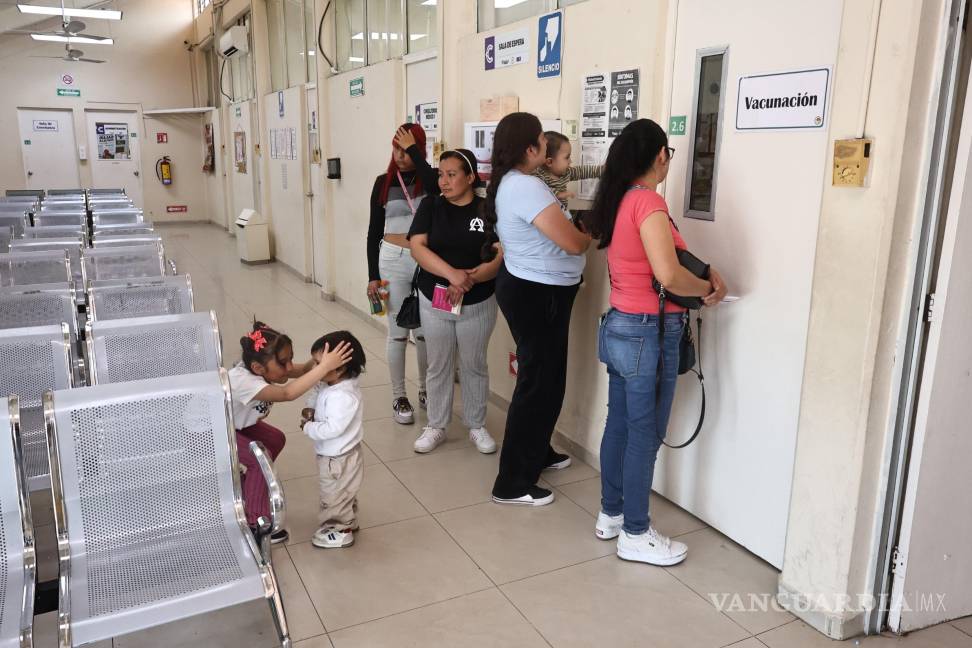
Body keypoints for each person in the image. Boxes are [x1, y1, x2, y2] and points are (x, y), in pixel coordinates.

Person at [584, 119, 727, 566]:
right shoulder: (647, 201)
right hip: (648, 332)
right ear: (660, 155)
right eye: (669, 154)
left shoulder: (620, 199)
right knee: (644, 434)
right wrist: (708, 290)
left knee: (619, 424)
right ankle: (636, 532)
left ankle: (611, 514)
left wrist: (702, 276)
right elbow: (667, 275)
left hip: (620, 326)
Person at [485, 112, 593, 506]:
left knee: (548, 380)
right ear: (530, 148)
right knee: (537, 385)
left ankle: (537, 452)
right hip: (537, 293)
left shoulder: (518, 182)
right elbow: (574, 244)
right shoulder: (525, 186)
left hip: (538, 289)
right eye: (543, 142)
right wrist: (589, 229)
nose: (548, 147)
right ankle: (512, 482)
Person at [407, 149, 503, 455]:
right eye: (440, 174)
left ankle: (476, 424)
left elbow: (499, 253)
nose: (443, 181)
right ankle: (436, 425)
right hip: (436, 297)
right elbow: (417, 247)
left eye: (451, 175)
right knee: (439, 363)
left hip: (478, 299)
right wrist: (452, 275)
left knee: (474, 363)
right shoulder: (431, 206)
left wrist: (469, 280)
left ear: (470, 177)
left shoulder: (486, 209)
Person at [229, 321, 353, 544]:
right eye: (283, 362)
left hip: (234, 424)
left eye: (290, 359)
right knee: (259, 459)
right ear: (258, 368)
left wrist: (322, 356)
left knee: (275, 439)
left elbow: (304, 370)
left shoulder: (263, 365)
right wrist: (324, 367)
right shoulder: (242, 380)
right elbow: (287, 393)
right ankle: (255, 525)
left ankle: (249, 486)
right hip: (210, 433)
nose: (289, 367)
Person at [366, 123, 438, 425]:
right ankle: (399, 396)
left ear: (418, 150)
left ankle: (425, 390)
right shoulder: (383, 182)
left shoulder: (432, 179)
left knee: (425, 333)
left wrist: (416, 156)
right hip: (392, 259)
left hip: (426, 260)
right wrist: (372, 275)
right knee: (397, 333)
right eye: (396, 148)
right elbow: (373, 232)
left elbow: (436, 187)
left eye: (407, 149)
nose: (400, 155)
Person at [299, 331, 367, 549]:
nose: (315, 368)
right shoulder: (330, 383)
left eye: (320, 364)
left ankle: (340, 530)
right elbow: (317, 391)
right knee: (343, 493)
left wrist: (308, 427)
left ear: (340, 368)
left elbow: (333, 428)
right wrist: (311, 407)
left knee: (333, 496)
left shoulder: (343, 396)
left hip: (337, 459)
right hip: (338, 455)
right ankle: (347, 519)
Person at [534, 131, 603, 210]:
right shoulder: (538, 176)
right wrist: (558, 194)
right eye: (567, 157)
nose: (570, 161)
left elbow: (581, 171)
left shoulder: (566, 173)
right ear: (550, 162)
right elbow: (539, 191)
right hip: (546, 214)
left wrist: (600, 170)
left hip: (562, 212)